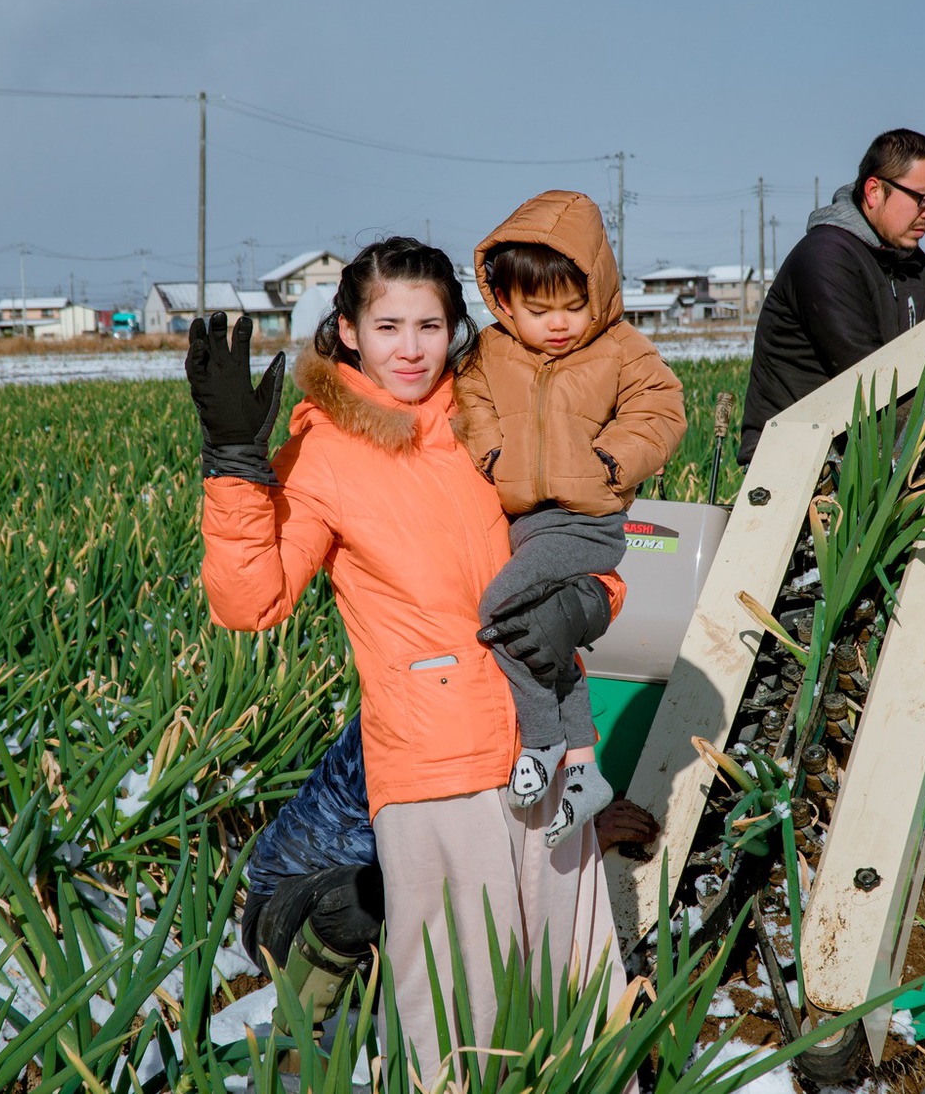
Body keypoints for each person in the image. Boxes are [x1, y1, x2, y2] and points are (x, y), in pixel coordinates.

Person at [187, 237, 633, 1082]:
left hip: (551, 744)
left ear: (456, 328)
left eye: (430, 324)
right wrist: (235, 464)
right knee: (462, 1013)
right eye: (387, 325)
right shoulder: (326, 456)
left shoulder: (492, 427)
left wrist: (586, 602)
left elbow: (587, 548)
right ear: (349, 332)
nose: (410, 347)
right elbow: (249, 602)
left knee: (580, 993)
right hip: (434, 769)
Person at [454, 190, 687, 847]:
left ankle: (544, 744)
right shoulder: (490, 355)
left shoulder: (620, 348)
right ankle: (585, 770)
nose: (557, 323)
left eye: (573, 305)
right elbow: (469, 401)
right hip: (526, 525)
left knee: (498, 610)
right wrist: (489, 446)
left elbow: (662, 410)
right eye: (538, 308)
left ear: (599, 292)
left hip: (584, 524)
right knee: (540, 639)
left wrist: (611, 461)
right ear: (504, 303)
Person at [239, 714, 659, 1070]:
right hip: (290, 914)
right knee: (368, 897)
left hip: (400, 930)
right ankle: (290, 1052)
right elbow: (466, 847)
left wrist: (587, 820)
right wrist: (582, 840)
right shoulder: (411, 717)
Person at [739, 128, 925, 463]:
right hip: (804, 461)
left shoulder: (915, 265)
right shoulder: (825, 258)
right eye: (921, 199)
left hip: (876, 451)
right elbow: (869, 372)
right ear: (873, 191)